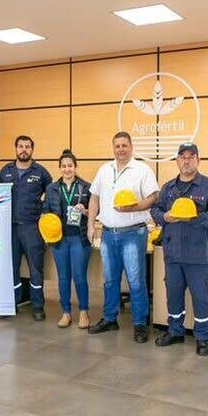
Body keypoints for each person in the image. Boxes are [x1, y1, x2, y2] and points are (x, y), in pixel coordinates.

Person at [150, 142, 208, 356]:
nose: (186, 160)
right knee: (173, 296)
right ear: (177, 161)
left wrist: (191, 217)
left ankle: (203, 337)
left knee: (201, 298)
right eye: (182, 157)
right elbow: (155, 210)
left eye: (191, 156)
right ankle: (175, 331)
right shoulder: (168, 188)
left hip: (198, 255)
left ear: (198, 160)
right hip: (173, 254)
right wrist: (165, 217)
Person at [87, 131, 159, 343]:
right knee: (110, 280)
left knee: (136, 281)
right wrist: (90, 225)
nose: (121, 149)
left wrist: (132, 208)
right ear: (113, 148)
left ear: (131, 147)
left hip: (133, 233)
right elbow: (94, 198)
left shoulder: (142, 170)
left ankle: (140, 324)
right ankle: (110, 319)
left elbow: (153, 197)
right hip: (108, 234)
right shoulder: (104, 169)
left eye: (124, 145)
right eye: (117, 145)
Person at [0, 135, 53, 320]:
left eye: (27, 146)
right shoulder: (5, 171)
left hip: (32, 228)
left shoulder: (41, 172)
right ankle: (12, 303)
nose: (24, 149)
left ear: (32, 150)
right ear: (16, 149)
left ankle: (38, 306)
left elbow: (52, 194)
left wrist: (44, 211)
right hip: (10, 228)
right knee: (11, 267)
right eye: (20, 146)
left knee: (36, 268)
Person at [42, 149, 92, 329]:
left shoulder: (86, 187)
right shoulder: (51, 188)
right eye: (63, 166)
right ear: (60, 168)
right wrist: (46, 223)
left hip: (79, 237)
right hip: (59, 240)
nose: (67, 169)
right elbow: (46, 211)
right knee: (63, 277)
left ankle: (84, 312)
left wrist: (85, 210)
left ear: (75, 167)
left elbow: (95, 212)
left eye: (70, 165)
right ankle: (66, 312)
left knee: (79, 276)